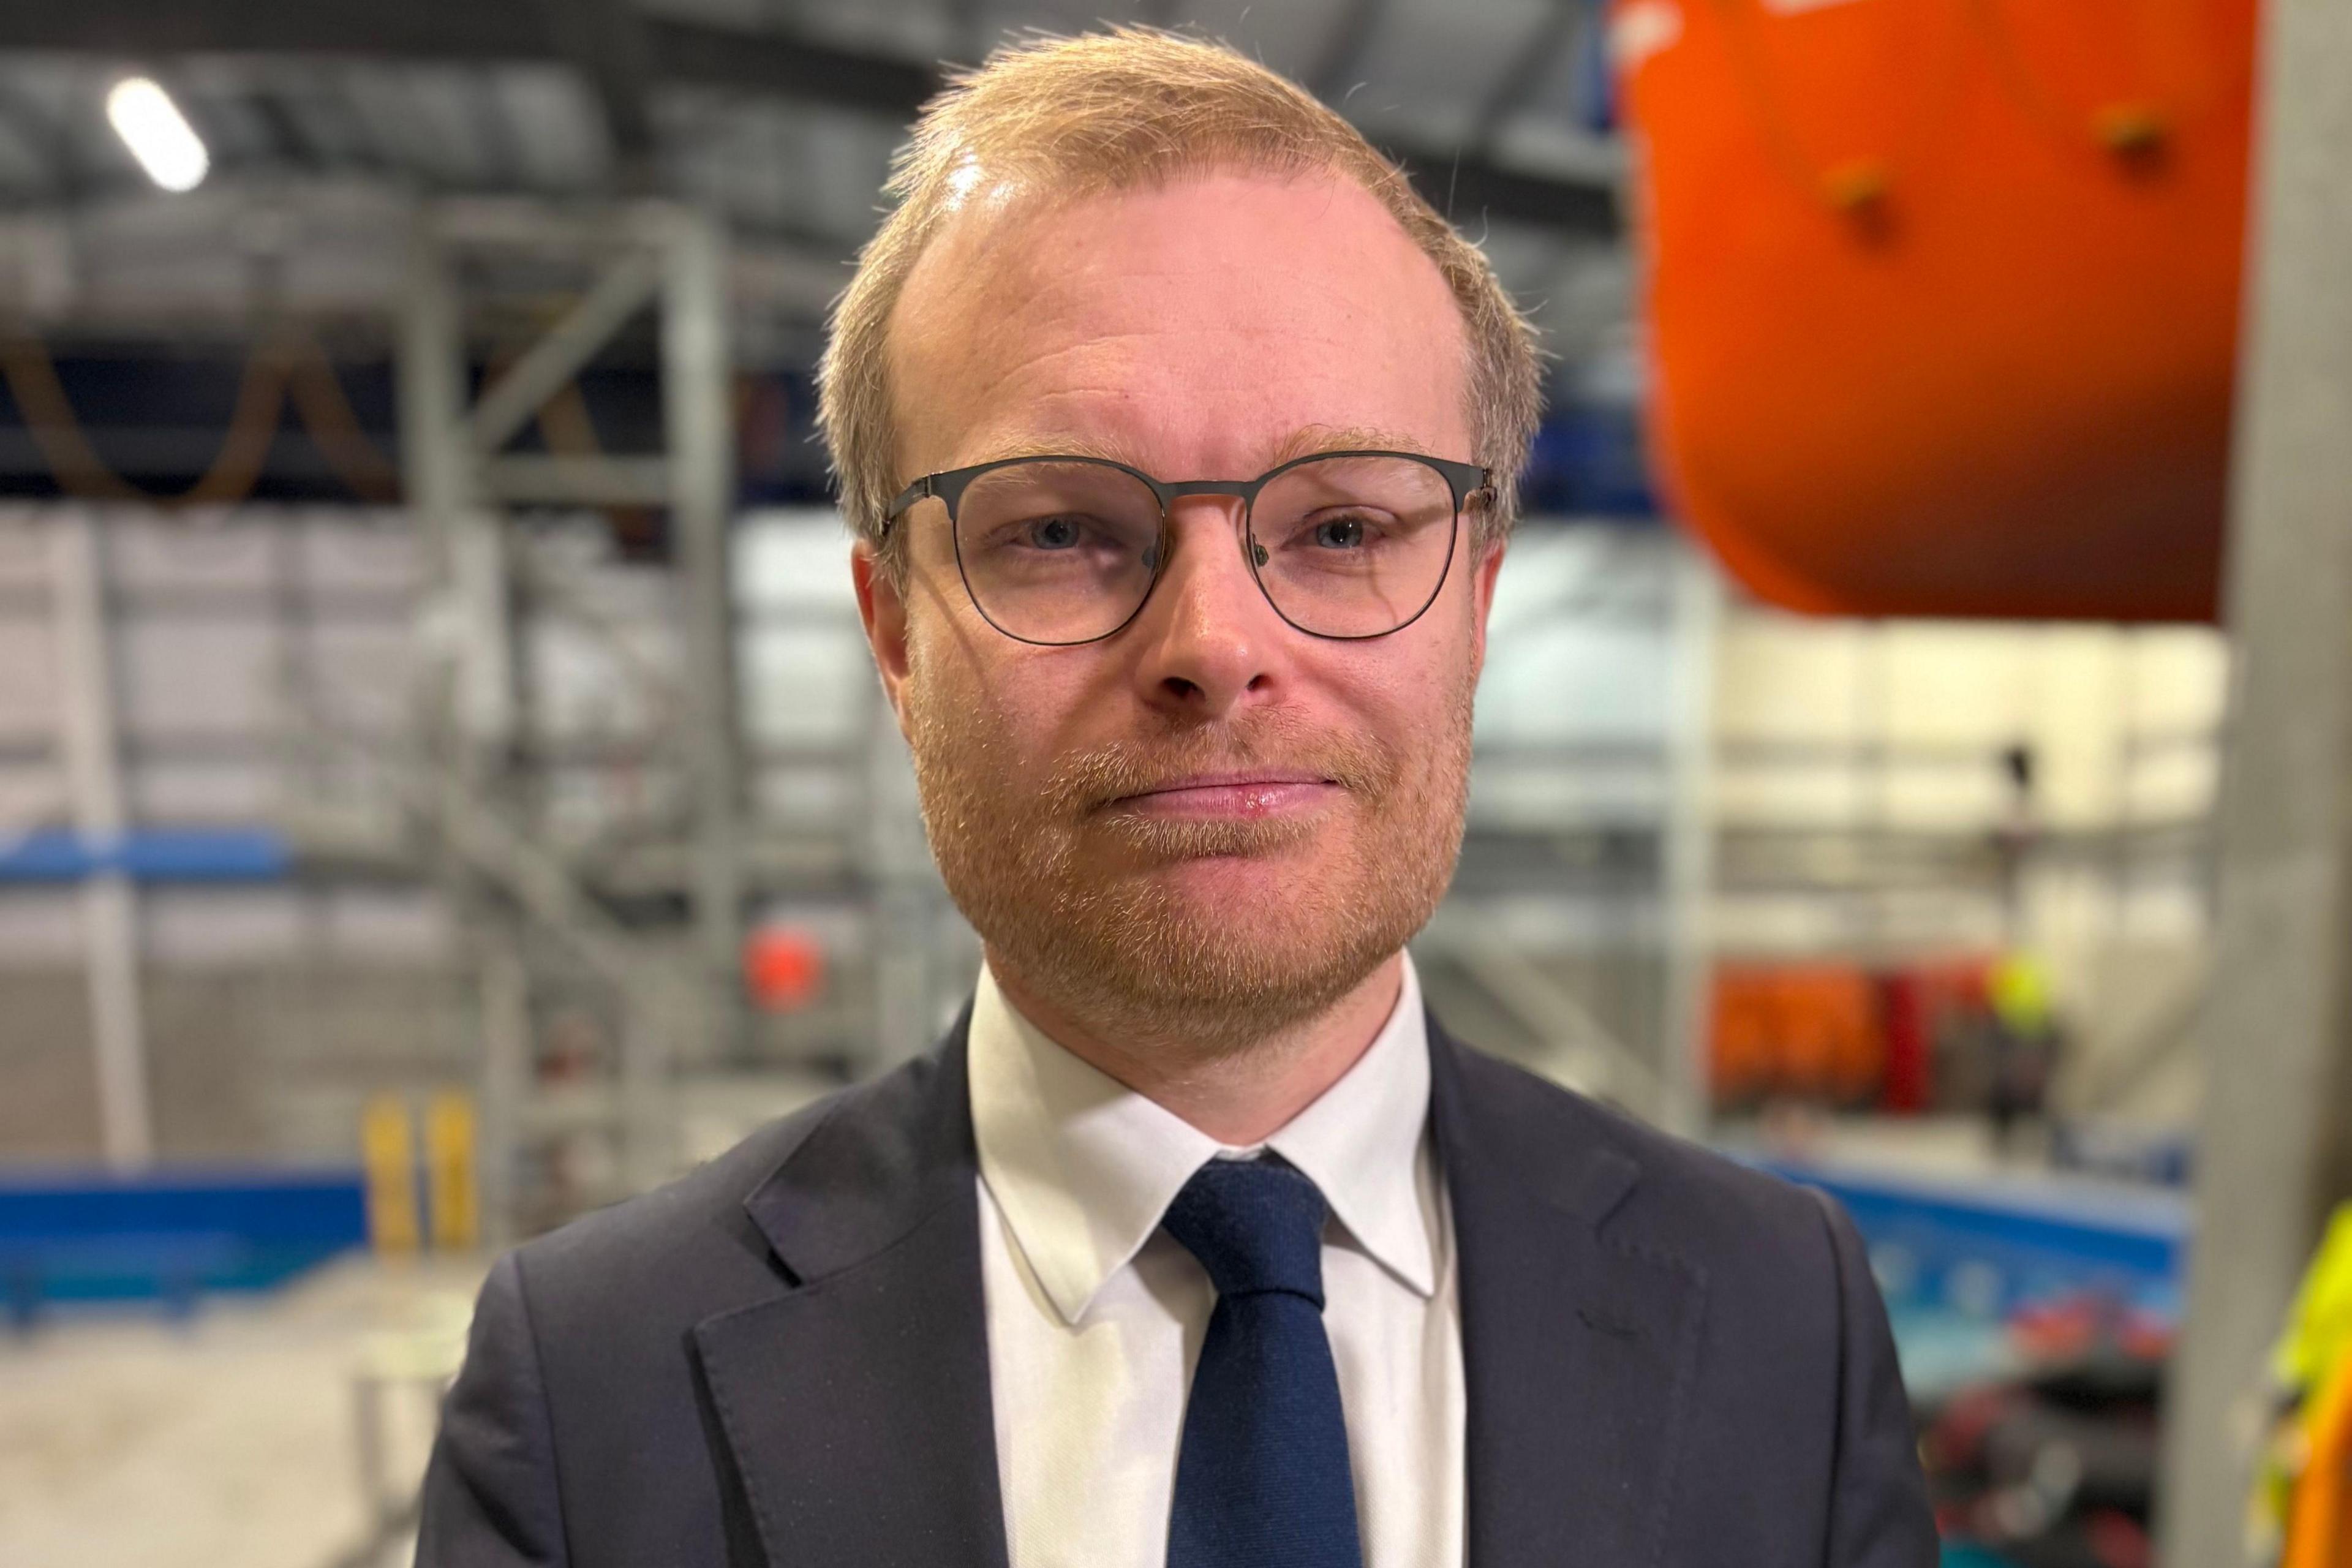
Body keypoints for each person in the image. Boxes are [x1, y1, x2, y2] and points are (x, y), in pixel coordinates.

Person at [417, 28, 1936, 1568]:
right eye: (1059, 531)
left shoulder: (1784, 1324)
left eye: (1343, 527)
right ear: (895, 635)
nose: (1215, 643)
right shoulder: (591, 1398)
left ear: (1477, 603)